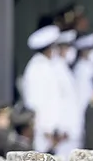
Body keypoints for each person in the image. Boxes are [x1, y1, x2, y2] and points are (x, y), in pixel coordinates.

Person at [21, 26, 68, 154]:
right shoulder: (36, 68)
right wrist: (46, 129)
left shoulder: (47, 66)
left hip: (53, 131)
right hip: (43, 132)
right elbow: (35, 102)